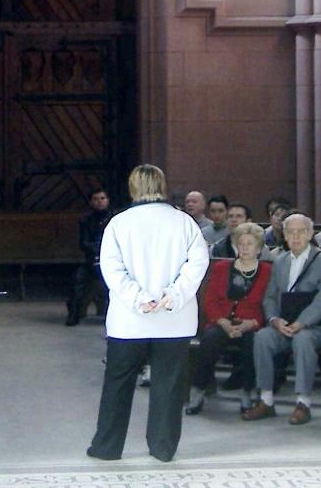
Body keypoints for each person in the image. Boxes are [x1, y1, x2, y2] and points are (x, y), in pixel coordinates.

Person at [87, 165, 209, 463]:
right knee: (169, 385)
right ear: (163, 186)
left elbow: (111, 268)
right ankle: (163, 447)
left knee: (118, 382)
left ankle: (107, 447)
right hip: (174, 319)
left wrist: (138, 299)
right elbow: (198, 264)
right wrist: (173, 296)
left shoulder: (119, 222)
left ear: (132, 188)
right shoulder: (184, 222)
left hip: (130, 321)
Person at [243, 213, 321, 426]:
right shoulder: (280, 261)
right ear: (284, 235)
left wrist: (302, 322)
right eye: (290, 232)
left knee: (303, 339)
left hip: (318, 326)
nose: (295, 237)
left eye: (301, 231)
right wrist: (275, 320)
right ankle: (266, 401)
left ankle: (303, 403)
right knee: (262, 338)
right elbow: (270, 296)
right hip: (285, 324)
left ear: (310, 233)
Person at [187, 223, 271, 415]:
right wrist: (223, 322)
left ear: (259, 248)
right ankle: (198, 390)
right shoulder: (222, 268)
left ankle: (247, 392)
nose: (245, 248)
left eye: (250, 244)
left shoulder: (267, 271)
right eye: (241, 243)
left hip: (252, 323)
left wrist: (252, 323)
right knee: (210, 339)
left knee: (255, 342)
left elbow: (269, 303)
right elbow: (210, 301)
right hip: (221, 322)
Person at [66, 189, 112, 326]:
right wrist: (98, 249)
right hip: (91, 261)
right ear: (91, 202)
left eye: (103, 198)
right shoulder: (86, 220)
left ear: (108, 200)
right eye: (96, 199)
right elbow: (84, 243)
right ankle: (74, 314)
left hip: (111, 261)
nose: (100, 201)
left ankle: (112, 317)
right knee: (77, 280)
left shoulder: (114, 218)